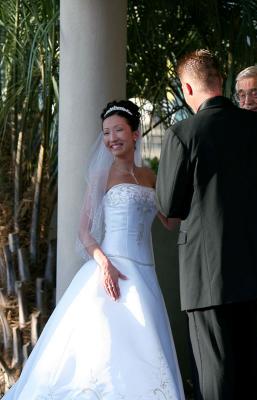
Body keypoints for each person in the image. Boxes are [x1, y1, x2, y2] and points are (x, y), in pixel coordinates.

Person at [3, 100, 185, 399]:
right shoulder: (102, 176)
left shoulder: (152, 177)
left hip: (145, 274)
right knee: (102, 349)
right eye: (106, 132)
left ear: (135, 133)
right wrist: (105, 265)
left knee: (144, 347)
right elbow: (84, 231)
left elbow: (170, 221)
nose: (112, 138)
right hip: (108, 270)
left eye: (118, 130)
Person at [156, 49, 257, 400]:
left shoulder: (182, 134)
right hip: (255, 269)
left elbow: (168, 207)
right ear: (221, 81)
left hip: (206, 275)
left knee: (214, 372)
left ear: (187, 89)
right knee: (251, 368)